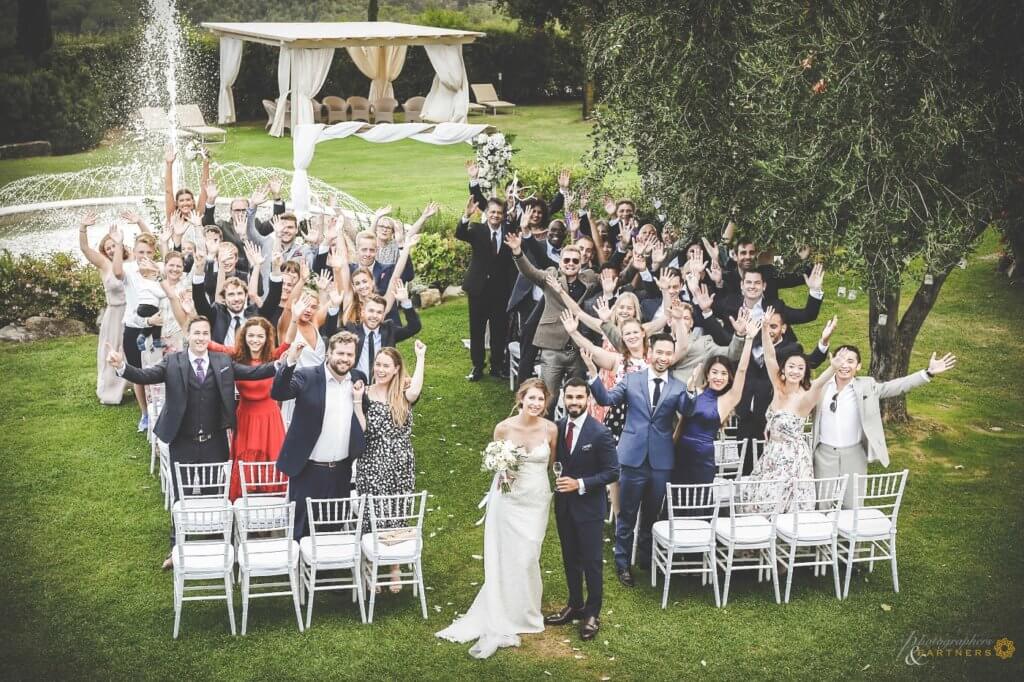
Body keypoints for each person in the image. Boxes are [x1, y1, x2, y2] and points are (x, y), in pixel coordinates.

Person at [107, 316, 278, 566]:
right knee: (182, 496)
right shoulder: (173, 362)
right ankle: (176, 548)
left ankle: (219, 544)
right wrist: (122, 366)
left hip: (214, 441)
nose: (200, 338)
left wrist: (286, 362)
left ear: (210, 337)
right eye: (196, 333)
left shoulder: (222, 361)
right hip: (182, 441)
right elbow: (144, 376)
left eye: (205, 333)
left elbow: (254, 372)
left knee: (215, 495)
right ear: (188, 335)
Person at [436, 379, 557, 659]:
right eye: (531, 399)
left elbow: (552, 464)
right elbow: (497, 465)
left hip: (536, 499)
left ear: (546, 402)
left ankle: (526, 610)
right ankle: (505, 609)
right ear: (521, 398)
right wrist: (503, 473)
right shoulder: (503, 428)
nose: (536, 404)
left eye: (541, 399)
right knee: (507, 555)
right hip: (508, 500)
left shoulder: (551, 429)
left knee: (529, 554)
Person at [585, 332, 689, 588]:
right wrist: (591, 374)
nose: (664, 358)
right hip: (632, 457)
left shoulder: (678, 386)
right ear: (650, 352)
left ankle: (645, 557)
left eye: (668, 353)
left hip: (661, 461)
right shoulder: (632, 380)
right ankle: (622, 563)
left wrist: (693, 392)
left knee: (652, 514)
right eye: (660, 352)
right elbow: (606, 399)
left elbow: (688, 411)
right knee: (627, 513)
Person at [812, 343, 956, 507]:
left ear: (858, 366)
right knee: (821, 504)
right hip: (824, 454)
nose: (845, 365)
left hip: (854, 453)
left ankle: (846, 534)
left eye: (850, 361)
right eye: (841, 360)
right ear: (832, 361)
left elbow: (896, 386)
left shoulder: (867, 385)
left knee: (852, 506)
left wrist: (927, 373)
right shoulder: (820, 386)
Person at [742, 309, 842, 511]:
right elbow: (770, 357)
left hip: (792, 461)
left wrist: (833, 368)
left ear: (804, 373)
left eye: (800, 368)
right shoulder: (778, 389)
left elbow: (818, 384)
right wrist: (764, 328)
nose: (795, 371)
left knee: (782, 506)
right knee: (759, 503)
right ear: (784, 370)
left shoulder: (804, 398)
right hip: (771, 454)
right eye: (791, 367)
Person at [271, 331, 368, 538]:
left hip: (341, 469)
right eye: (340, 353)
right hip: (307, 469)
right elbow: (279, 392)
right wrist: (290, 360)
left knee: (334, 522)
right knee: (302, 526)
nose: (344, 359)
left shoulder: (358, 379)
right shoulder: (307, 376)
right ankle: (298, 566)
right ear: (328, 354)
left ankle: (327, 569)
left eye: (349, 355)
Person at [545, 379, 619, 642]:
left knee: (592, 562)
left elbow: (612, 471)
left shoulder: (600, 433)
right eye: (570, 397)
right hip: (564, 507)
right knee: (569, 558)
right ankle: (575, 604)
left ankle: (592, 613)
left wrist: (581, 484)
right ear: (564, 399)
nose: (574, 402)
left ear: (588, 399)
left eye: (579, 397)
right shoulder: (559, 427)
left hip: (589, 509)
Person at [353, 340, 426, 591]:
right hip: (372, 460)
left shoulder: (402, 394)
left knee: (397, 510)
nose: (380, 369)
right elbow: (361, 429)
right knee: (374, 512)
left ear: (396, 369)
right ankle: (372, 566)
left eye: (386, 365)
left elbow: (416, 390)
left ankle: (394, 568)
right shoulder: (365, 393)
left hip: (400, 462)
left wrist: (421, 357)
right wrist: (355, 402)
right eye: (378, 364)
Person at [507, 231, 599, 407]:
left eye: (575, 261)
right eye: (566, 260)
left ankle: (570, 432)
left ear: (581, 264)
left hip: (577, 349)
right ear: (560, 262)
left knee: (576, 397)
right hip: (552, 348)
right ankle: (544, 430)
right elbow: (530, 272)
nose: (570, 264)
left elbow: (617, 277)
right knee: (548, 397)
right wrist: (518, 252)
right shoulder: (551, 277)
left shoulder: (589, 278)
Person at [207, 316, 292, 501]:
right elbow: (210, 344)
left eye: (260, 336)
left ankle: (270, 510)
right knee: (246, 462)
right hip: (246, 417)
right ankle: (245, 509)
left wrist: (294, 317)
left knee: (272, 459)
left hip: (270, 418)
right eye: (251, 335)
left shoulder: (273, 356)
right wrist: (190, 319)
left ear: (267, 338)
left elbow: (288, 342)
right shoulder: (236, 355)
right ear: (244, 336)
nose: (255, 340)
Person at [673, 317, 761, 486]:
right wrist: (690, 385)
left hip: (703, 458)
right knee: (677, 498)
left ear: (729, 379)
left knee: (699, 501)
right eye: (715, 372)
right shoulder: (695, 391)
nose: (718, 377)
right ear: (707, 374)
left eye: (723, 374)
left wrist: (749, 339)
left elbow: (742, 370)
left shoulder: (727, 400)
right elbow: (682, 419)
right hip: (680, 453)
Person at [455, 196, 518, 381]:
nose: (495, 216)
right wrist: (466, 215)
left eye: (499, 213)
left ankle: (496, 366)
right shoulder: (477, 229)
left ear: (504, 215)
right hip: (478, 290)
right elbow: (460, 233)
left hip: (501, 291)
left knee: (499, 330)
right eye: (492, 212)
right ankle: (477, 366)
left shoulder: (509, 232)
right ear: (486, 213)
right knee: (477, 330)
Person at [113, 230, 164, 431]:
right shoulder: (129, 270)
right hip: (134, 327)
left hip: (157, 328)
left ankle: (160, 409)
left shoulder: (158, 269)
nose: (144, 256)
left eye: (149, 252)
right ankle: (145, 414)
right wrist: (118, 244)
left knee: (158, 370)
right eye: (140, 252)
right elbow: (116, 272)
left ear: (154, 254)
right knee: (137, 372)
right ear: (133, 252)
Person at [78, 214, 128, 405]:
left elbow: (150, 246)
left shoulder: (131, 261)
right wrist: (83, 228)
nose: (111, 249)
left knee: (131, 349)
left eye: (113, 245)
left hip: (131, 312)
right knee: (113, 348)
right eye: (107, 248)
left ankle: (135, 382)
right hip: (114, 314)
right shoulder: (104, 264)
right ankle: (111, 390)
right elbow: (84, 248)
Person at [190, 245, 281, 345]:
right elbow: (199, 299)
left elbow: (274, 298)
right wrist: (199, 271)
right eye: (231, 294)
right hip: (221, 359)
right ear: (224, 298)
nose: (236, 298)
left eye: (240, 293)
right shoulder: (216, 315)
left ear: (246, 295)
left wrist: (276, 268)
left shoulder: (256, 314)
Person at [343, 287, 421, 380]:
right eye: (371, 311)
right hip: (357, 384)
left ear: (383, 316)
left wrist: (405, 302)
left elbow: (414, 327)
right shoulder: (352, 330)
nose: (374, 316)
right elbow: (329, 332)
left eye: (379, 312)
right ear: (363, 312)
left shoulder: (389, 330)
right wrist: (334, 307)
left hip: (383, 383)